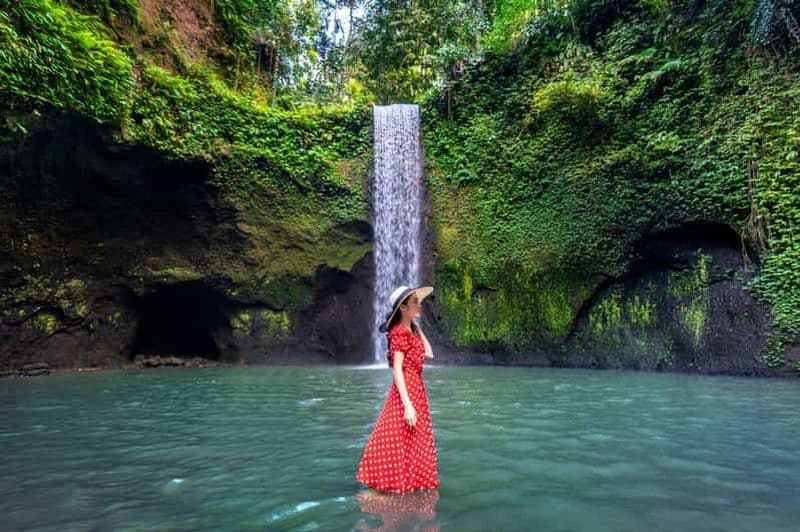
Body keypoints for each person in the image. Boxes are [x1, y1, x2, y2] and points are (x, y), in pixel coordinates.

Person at [356, 285, 439, 493]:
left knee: (411, 438)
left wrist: (417, 326)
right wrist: (407, 405)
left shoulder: (409, 330)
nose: (419, 305)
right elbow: (397, 369)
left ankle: (410, 482)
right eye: (414, 302)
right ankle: (386, 487)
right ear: (402, 308)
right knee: (397, 436)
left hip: (417, 389)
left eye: (418, 301)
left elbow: (429, 353)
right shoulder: (399, 333)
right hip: (406, 391)